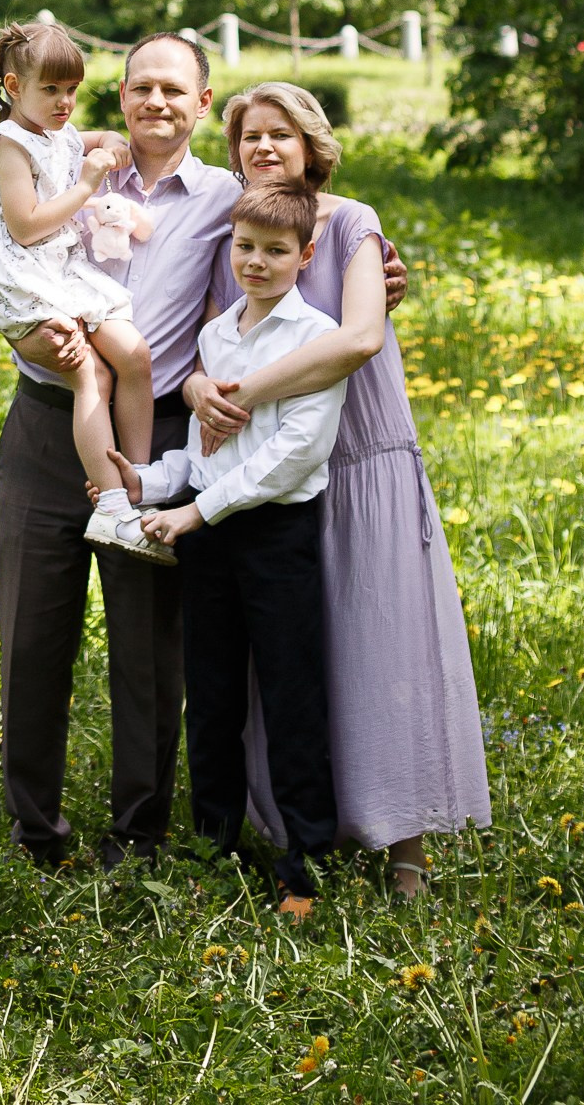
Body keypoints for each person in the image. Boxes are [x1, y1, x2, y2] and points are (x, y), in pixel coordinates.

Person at [181, 81, 490, 899]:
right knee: (290, 662)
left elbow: (358, 337)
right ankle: (299, 825)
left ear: (312, 146)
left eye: (280, 134)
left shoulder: (351, 222)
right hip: (267, 477)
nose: (263, 147)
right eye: (249, 135)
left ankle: (407, 848)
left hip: (362, 459)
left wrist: (246, 393)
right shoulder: (236, 233)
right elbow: (208, 345)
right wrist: (201, 391)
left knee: (382, 640)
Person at [0, 29, 241, 870]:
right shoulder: (68, 161)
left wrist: (375, 262)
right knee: (32, 638)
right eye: (140, 87)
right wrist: (27, 338)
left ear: (202, 102)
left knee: (147, 648)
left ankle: (138, 833)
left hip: (154, 439)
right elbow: (3, 247)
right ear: (121, 97)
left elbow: (297, 241)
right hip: (45, 425)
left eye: (173, 89)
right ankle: (36, 833)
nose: (155, 102)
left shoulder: (225, 198)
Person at [134, 179, 345, 923]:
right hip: (209, 535)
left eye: (275, 251)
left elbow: (295, 454)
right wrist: (147, 481)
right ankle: (212, 850)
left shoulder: (318, 337)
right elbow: (206, 451)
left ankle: (306, 866)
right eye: (245, 247)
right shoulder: (217, 336)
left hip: (277, 536)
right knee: (212, 696)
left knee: (292, 697)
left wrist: (196, 512)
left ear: (304, 255)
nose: (256, 262)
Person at [0, 21, 160, 557]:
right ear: (13, 86)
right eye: (50, 89)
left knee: (134, 355)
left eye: (72, 89)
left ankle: (139, 484)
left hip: (61, 270)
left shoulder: (57, 130)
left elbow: (92, 140)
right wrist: (88, 183)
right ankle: (112, 506)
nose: (65, 102)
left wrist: (111, 141)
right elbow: (26, 226)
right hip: (20, 274)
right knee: (91, 372)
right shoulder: (8, 146)